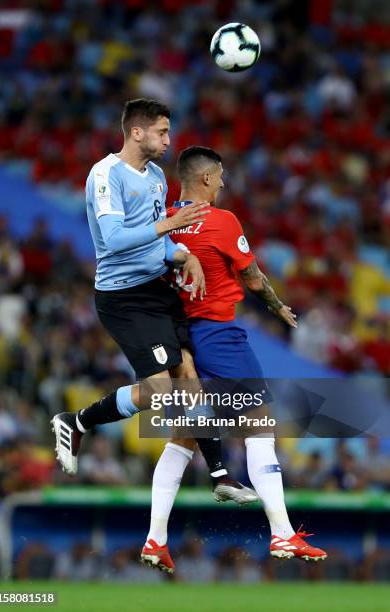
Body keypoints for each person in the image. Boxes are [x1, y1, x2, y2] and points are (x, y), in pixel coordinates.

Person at [51, 99, 255, 505]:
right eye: (162, 132)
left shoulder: (157, 176)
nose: (168, 139)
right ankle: (76, 422)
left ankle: (220, 476)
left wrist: (185, 255)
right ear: (137, 132)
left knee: (188, 376)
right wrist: (170, 226)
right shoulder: (107, 175)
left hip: (158, 288)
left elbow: (159, 241)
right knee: (162, 391)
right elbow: (114, 239)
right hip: (124, 296)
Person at [141, 146, 327, 573]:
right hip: (218, 335)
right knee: (260, 425)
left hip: (178, 338)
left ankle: (156, 539)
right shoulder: (220, 221)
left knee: (185, 436)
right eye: (220, 176)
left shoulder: (164, 223)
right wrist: (276, 305)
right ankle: (282, 533)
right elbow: (251, 275)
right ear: (206, 179)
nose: (223, 183)